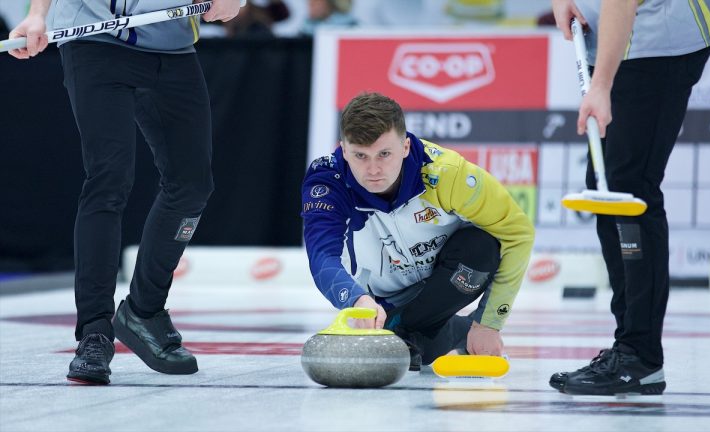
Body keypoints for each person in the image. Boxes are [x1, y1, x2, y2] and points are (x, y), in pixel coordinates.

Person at [8, 0, 242, 385]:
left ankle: (144, 311)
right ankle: (95, 332)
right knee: (109, 179)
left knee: (193, 186)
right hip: (93, 38)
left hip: (171, 43)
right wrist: (37, 15)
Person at [549, 0, 710, 395]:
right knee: (606, 188)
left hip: (658, 44)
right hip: (619, 41)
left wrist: (601, 86)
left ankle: (639, 355)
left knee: (630, 190)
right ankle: (628, 345)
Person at [300, 92, 534, 369]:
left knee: (482, 246)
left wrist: (488, 324)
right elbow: (322, 257)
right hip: (382, 301)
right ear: (343, 148)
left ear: (406, 146)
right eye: (360, 156)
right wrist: (356, 299)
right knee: (420, 348)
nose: (373, 169)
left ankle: (404, 331)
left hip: (446, 282)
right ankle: (432, 333)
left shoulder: (448, 174)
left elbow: (518, 233)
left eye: (384, 154)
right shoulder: (328, 181)